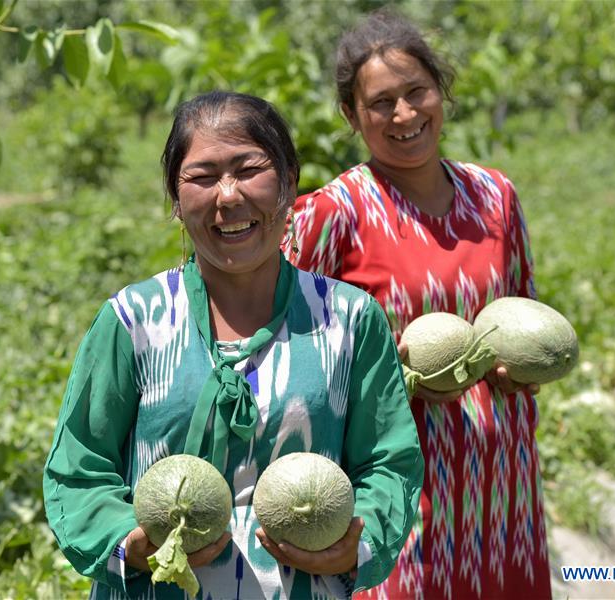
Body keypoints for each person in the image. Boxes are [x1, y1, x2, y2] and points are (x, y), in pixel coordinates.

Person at [43, 91, 422, 599]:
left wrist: (360, 538)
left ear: (290, 182)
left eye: (248, 170)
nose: (227, 196)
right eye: (201, 177)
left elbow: (388, 462)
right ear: (176, 201)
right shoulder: (131, 321)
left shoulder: (351, 320)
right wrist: (128, 542)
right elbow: (78, 468)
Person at [283, 10, 552, 600]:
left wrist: (522, 367)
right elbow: (283, 361)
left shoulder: (495, 195)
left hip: (501, 488)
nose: (404, 115)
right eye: (381, 103)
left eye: (416, 92)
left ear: (442, 92)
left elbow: (521, 310)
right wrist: (399, 382)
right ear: (352, 117)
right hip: (397, 492)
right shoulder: (333, 215)